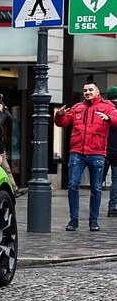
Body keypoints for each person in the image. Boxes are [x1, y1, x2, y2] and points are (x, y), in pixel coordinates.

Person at [54, 81, 117, 232]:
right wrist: (59, 115)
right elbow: (62, 123)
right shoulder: (77, 107)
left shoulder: (108, 107)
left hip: (97, 153)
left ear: (97, 92)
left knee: (96, 188)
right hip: (77, 152)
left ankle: (93, 221)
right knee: (73, 185)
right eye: (85, 90)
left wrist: (108, 118)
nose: (87, 92)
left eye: (90, 90)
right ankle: (73, 220)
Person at [104, 86, 117, 217]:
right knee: (116, 180)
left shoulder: (103, 108)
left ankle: (93, 204)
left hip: (102, 149)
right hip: (116, 151)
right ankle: (112, 207)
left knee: (97, 180)